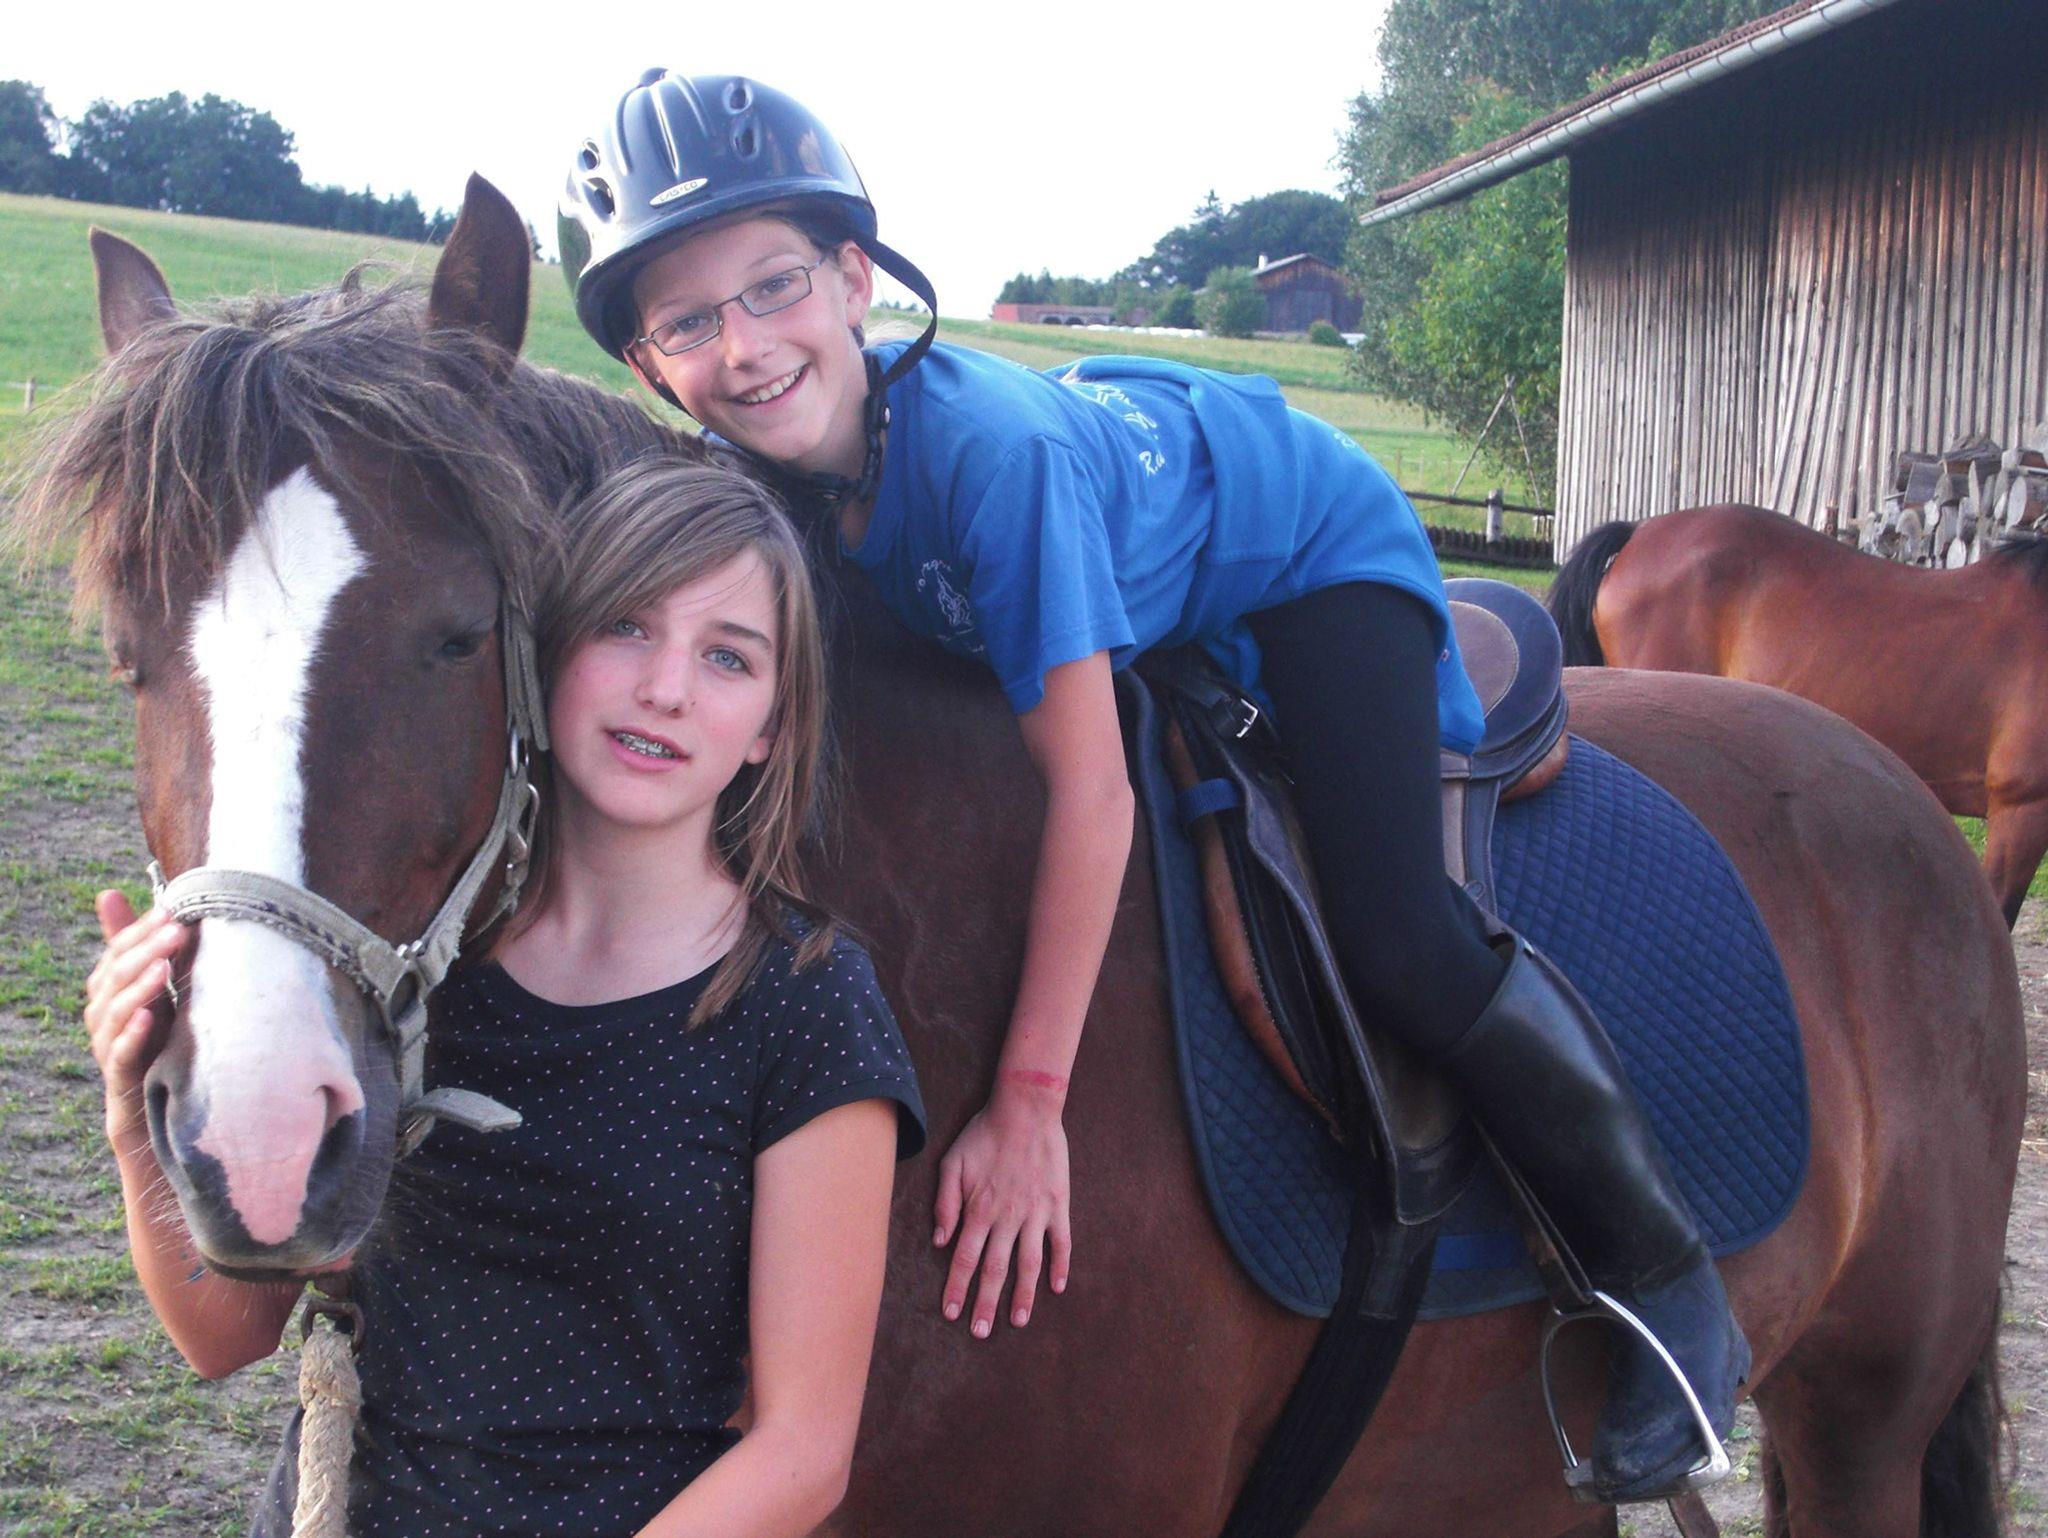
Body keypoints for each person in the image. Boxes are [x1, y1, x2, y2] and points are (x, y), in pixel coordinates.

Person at [555, 69, 1747, 1504]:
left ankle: (1661, 1275)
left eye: (773, 286)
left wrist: (1029, 1103)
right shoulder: (761, 473)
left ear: (854, 278)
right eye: (689, 322)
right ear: (647, 366)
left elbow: (1095, 796)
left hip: (1305, 551)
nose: (745, 347)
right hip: (1143, 530)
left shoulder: (990, 464)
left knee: (1396, 929)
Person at [83, 458, 926, 1537]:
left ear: (769, 722)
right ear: (546, 651)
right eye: (626, 626)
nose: (666, 687)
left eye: (728, 656)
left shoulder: (807, 1004)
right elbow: (222, 1336)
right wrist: (131, 1117)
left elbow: (803, 1453)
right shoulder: (417, 969)